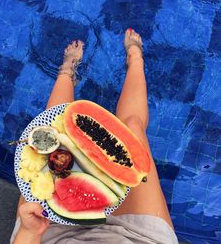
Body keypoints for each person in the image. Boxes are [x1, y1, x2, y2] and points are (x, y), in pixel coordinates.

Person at [11, 28, 178, 244]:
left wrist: (29, 232)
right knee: (133, 126)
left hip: (49, 235)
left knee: (50, 134)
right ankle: (136, 59)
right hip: (136, 237)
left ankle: (67, 70)